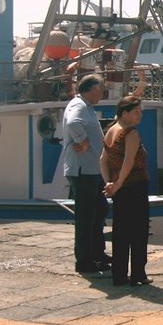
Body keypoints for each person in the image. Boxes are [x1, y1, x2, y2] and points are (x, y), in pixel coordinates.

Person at [101, 95, 151, 287]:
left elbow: (102, 161)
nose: (140, 116)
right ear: (125, 113)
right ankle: (138, 273)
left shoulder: (110, 131)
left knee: (121, 232)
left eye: (141, 112)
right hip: (134, 187)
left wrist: (109, 184)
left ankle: (119, 275)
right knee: (138, 231)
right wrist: (119, 183)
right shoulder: (130, 133)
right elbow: (129, 162)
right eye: (136, 112)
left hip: (119, 189)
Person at [63, 73, 110, 273]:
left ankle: (98, 253)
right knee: (86, 218)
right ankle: (83, 260)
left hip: (93, 170)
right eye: (100, 89)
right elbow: (74, 123)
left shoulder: (87, 107)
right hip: (83, 172)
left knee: (98, 213)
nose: (102, 93)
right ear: (90, 89)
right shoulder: (79, 105)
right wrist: (82, 140)